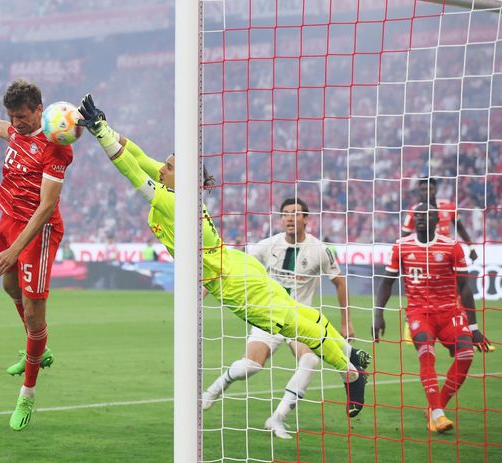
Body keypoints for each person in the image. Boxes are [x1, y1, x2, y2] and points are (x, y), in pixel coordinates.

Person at [76, 94, 367, 420]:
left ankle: (350, 372)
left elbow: (130, 170)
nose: (162, 169)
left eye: (168, 167)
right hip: (236, 263)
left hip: (231, 283)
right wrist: (107, 125)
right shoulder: (178, 190)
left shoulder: (173, 203)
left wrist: (101, 133)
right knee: (299, 314)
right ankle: (350, 354)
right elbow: (140, 157)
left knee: (293, 325)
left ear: (182, 177)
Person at [202, 198, 369, 439]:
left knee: (310, 360)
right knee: (250, 366)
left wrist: (346, 322)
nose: (290, 218)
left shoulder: (320, 250)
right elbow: (231, 268)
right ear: (281, 219)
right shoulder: (267, 245)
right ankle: (215, 389)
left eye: (296, 214)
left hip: (300, 319)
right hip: (267, 315)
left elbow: (340, 282)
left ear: (306, 219)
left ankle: (277, 418)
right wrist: (203, 292)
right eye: (286, 214)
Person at [0, 80, 73, 431]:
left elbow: (47, 207)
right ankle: (37, 347)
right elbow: (5, 131)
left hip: (38, 232)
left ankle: (27, 395)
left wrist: (15, 250)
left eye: (22, 117)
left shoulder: (57, 146)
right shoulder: (17, 128)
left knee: (33, 313)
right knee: (10, 289)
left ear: (39, 109)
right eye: (12, 117)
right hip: (10, 220)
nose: (16, 123)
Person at [373, 201, 481, 433]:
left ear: (437, 219)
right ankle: (438, 415)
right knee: (426, 353)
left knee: (466, 354)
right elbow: (386, 283)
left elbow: (464, 288)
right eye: (417, 214)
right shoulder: (401, 246)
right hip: (419, 313)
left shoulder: (452, 246)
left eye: (427, 214)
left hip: (449, 311)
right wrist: (378, 314)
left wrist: (473, 326)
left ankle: (435, 406)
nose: (420, 217)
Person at [399, 175, 491, 350]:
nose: (426, 192)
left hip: (447, 260)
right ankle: (412, 322)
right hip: (423, 259)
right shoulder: (414, 211)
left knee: (457, 295)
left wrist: (471, 248)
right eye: (423, 189)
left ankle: (461, 335)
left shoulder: (449, 207)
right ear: (419, 191)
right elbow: (404, 236)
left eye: (430, 189)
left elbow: (461, 228)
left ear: (436, 190)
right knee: (421, 295)